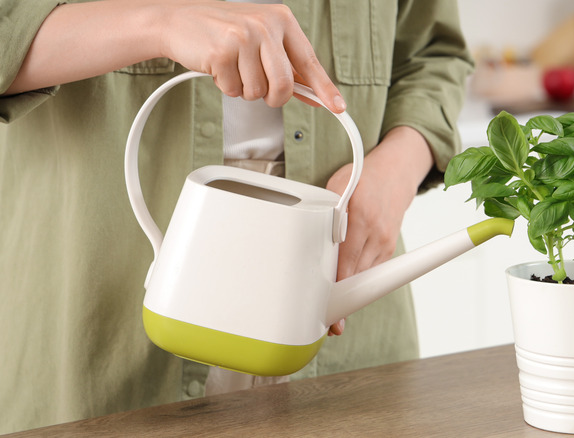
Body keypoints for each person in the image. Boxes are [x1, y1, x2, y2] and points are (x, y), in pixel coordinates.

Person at [0, 0, 473, 433]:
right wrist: (160, 22)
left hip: (343, 319)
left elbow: (433, 54)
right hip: (95, 319)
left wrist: (399, 168)